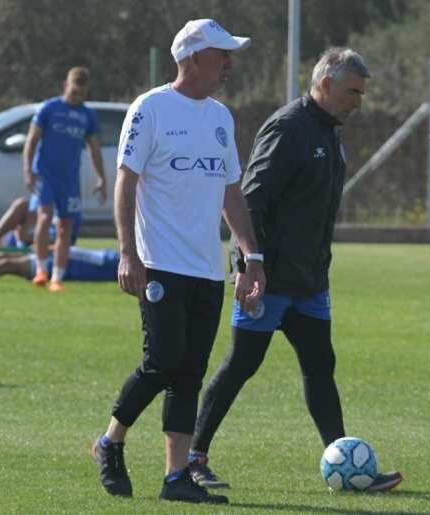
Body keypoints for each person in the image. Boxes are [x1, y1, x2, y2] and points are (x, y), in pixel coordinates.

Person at [188, 47, 403, 492]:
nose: (358, 101)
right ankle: (193, 458)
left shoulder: (328, 132)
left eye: (362, 93)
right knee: (241, 365)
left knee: (320, 367)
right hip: (270, 280)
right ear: (325, 84)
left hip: (309, 282)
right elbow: (250, 200)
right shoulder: (289, 129)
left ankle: (349, 466)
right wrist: (247, 267)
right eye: (352, 91)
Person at [91, 19, 264, 505]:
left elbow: (231, 189)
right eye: (222, 54)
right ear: (191, 58)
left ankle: (175, 477)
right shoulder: (151, 109)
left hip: (206, 268)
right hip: (160, 263)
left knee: (189, 372)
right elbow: (126, 181)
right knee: (161, 363)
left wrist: (252, 255)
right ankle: (110, 442)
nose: (230, 63)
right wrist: (128, 252)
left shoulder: (221, 118)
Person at [24, 66, 105, 292]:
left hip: (69, 179)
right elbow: (31, 140)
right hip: (45, 174)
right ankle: (40, 270)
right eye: (73, 91)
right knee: (45, 215)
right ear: (65, 86)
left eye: (81, 93)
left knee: (65, 227)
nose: (76, 96)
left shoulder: (87, 116)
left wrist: (102, 178)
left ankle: (56, 278)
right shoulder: (49, 108)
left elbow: (94, 149)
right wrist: (28, 171)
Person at [0, 244, 117, 282]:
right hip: (63, 259)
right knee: (4, 259)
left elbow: (89, 258)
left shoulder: (117, 263)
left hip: (64, 266)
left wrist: (57, 249)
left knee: (6, 265)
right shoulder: (119, 258)